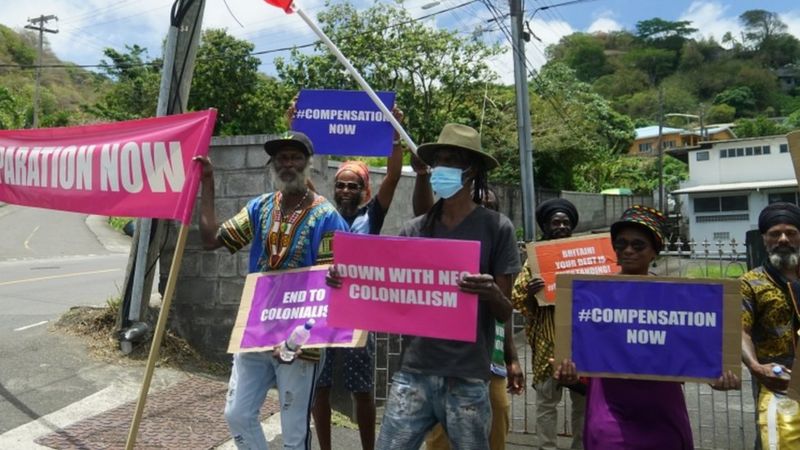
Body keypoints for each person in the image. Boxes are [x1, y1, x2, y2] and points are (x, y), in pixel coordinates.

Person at [328, 123, 520, 449]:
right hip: (412, 373)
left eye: (452, 160)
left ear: (471, 170)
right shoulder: (414, 229)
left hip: (467, 377)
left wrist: (489, 292)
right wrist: (346, 282)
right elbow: (386, 290)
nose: (441, 168)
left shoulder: (497, 228)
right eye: (438, 161)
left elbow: (504, 310)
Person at [194, 131, 349, 450]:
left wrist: (298, 339)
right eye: (281, 157)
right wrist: (208, 181)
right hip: (257, 331)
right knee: (237, 414)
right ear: (272, 164)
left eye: (295, 157)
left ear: (308, 164)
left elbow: (330, 288)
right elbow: (211, 239)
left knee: (294, 435)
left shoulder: (326, 217)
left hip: (300, 341)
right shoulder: (260, 207)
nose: (288, 164)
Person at [551, 205, 740, 450]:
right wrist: (570, 373)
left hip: (663, 413)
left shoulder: (678, 300)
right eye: (621, 244)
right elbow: (581, 353)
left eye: (638, 245)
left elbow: (694, 350)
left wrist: (716, 376)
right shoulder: (592, 296)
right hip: (609, 410)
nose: (628, 250)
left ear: (655, 252)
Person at [312, 111, 405, 450]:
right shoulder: (322, 210)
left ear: (365, 189)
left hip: (359, 312)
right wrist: (295, 126)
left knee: (361, 388)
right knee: (318, 386)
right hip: (321, 308)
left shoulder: (372, 214)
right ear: (334, 189)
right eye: (341, 184)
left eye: (354, 185)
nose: (346, 189)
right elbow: (300, 172)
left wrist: (395, 136)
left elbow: (393, 177)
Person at [418, 186, 526, 450]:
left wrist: (513, 359)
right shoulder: (445, 245)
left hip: (490, 363)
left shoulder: (500, 252)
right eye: (478, 205)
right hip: (445, 363)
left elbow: (505, 313)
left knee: (496, 420)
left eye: (489, 207)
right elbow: (422, 212)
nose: (482, 211)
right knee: (441, 434)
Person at [510, 198, 585, 450]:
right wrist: (532, 292)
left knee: (583, 403)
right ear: (545, 226)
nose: (562, 226)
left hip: (582, 343)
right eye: (556, 222)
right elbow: (517, 299)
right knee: (546, 403)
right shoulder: (535, 261)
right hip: (547, 341)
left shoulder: (584, 257)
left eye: (566, 222)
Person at [741, 202, 800, 449]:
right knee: (773, 440)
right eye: (775, 233)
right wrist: (755, 366)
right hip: (777, 380)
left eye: (791, 232)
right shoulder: (751, 283)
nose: (783, 239)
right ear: (764, 238)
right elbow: (740, 331)